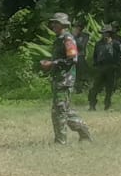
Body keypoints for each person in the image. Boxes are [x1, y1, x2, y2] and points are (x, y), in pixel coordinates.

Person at [39, 13, 94, 143]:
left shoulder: (68, 39)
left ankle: (61, 141)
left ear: (63, 25)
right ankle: (84, 132)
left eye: (56, 23)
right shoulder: (59, 39)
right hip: (58, 78)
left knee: (60, 110)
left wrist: (52, 63)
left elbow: (72, 59)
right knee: (63, 110)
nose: (53, 26)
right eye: (53, 23)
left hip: (65, 80)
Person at [89, 23, 121, 111]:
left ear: (110, 33)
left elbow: (120, 56)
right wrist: (96, 65)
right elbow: (95, 56)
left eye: (106, 33)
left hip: (112, 68)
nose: (105, 35)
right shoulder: (98, 44)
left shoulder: (116, 44)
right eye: (104, 33)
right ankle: (92, 105)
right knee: (95, 87)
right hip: (101, 67)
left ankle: (107, 106)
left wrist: (118, 66)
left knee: (110, 88)